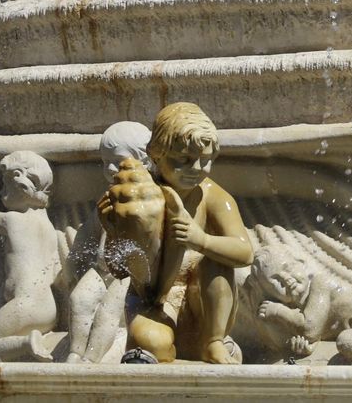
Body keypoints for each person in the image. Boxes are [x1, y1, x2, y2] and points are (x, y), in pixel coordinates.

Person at [131, 102, 254, 363]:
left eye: (206, 160)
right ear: (157, 155)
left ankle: (214, 342)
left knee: (217, 260)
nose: (198, 168)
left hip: (204, 305)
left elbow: (245, 253)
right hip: (156, 300)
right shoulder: (141, 193)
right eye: (184, 159)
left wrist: (202, 240)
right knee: (152, 346)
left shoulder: (213, 196)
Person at [65, 122, 152, 363]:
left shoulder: (151, 198)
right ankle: (75, 351)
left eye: (118, 161)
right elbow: (90, 232)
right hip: (102, 268)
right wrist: (74, 262)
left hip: (129, 274)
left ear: (146, 162)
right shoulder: (108, 197)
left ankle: (91, 358)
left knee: (109, 311)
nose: (110, 168)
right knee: (78, 299)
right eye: (105, 162)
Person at [0, 151, 64, 361]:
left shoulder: (13, 220)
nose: (3, 192)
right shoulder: (48, 226)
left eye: (6, 186)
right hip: (48, 309)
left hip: (25, 305)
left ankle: (26, 343)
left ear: (22, 186)